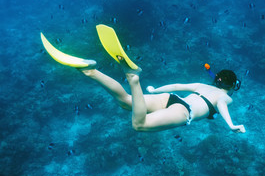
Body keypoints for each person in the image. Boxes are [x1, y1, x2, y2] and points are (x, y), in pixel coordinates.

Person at [40, 25, 246, 133]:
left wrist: (156, 90)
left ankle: (91, 72)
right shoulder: (226, 97)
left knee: (126, 102)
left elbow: (177, 85)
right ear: (232, 87)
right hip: (185, 111)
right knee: (139, 125)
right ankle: (133, 77)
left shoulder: (202, 84)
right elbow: (223, 107)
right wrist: (232, 126)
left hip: (171, 98)